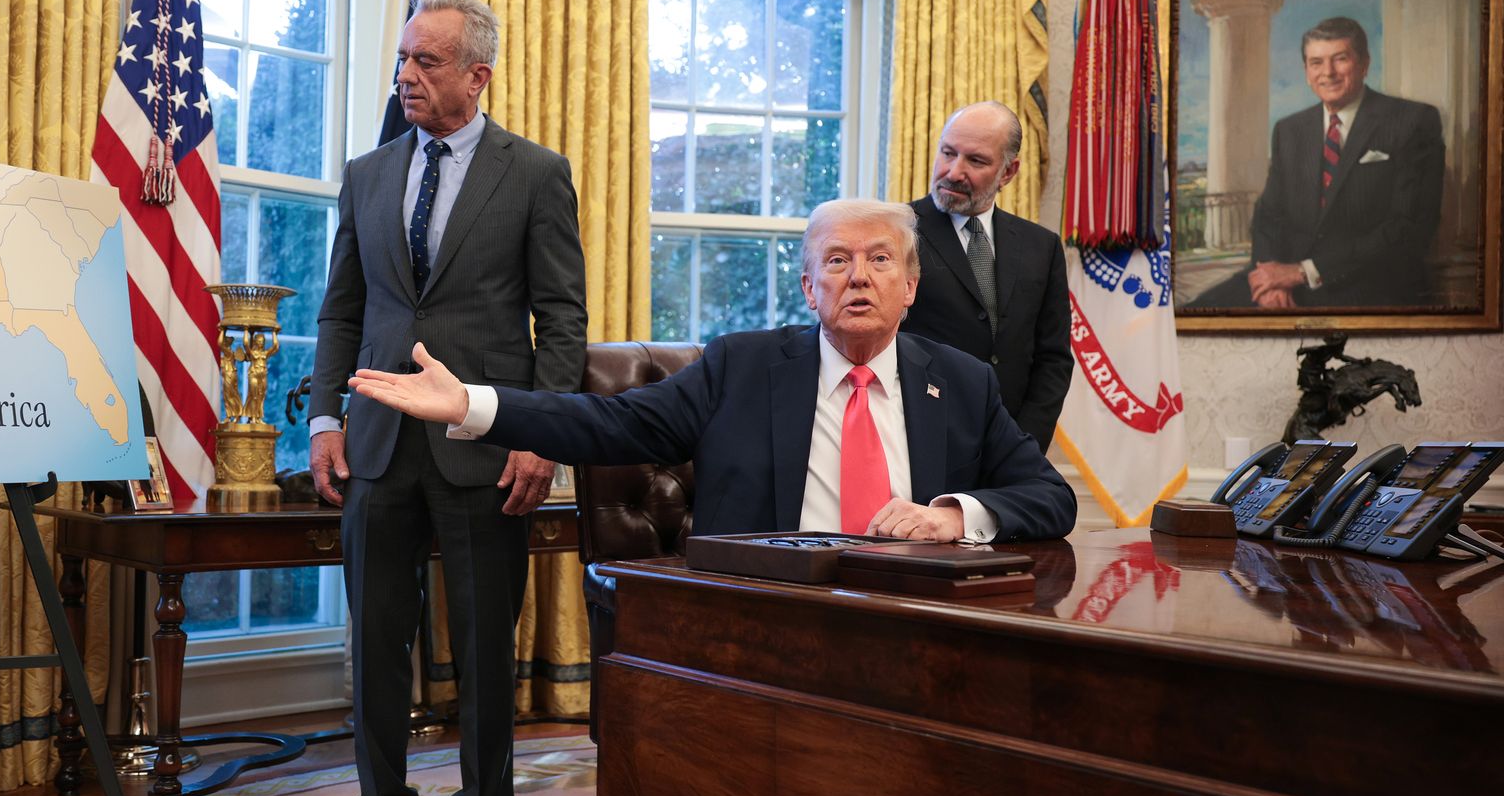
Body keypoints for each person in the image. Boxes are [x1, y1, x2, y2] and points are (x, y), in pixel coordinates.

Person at [306, 0, 587, 796]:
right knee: (375, 652)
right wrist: (324, 418)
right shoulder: (367, 174)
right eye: (402, 59)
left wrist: (542, 433)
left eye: (427, 62)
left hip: (487, 448)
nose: (406, 76)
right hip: (378, 448)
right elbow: (343, 309)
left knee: (484, 655)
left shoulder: (536, 174)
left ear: (478, 75)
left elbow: (562, 319)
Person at [350, 198, 1076, 546]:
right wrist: (470, 404)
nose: (859, 276)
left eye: (880, 260)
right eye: (836, 260)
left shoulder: (962, 381)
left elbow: (1049, 498)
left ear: (910, 287)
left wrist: (953, 515)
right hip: (770, 621)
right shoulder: (742, 366)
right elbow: (608, 423)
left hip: (918, 622)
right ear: (808, 288)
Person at [1189, 16, 1445, 309]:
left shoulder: (1412, 121)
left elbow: (1408, 228)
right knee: (1191, 315)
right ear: (1306, 72)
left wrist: (1302, 272)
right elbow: (1268, 216)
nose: (1328, 73)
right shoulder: (1289, 130)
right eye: (1316, 63)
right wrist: (1271, 278)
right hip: (1286, 280)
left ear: (1364, 64)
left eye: (1340, 59)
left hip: (1367, 284)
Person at [905, 101, 1071, 454]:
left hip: (1009, 447)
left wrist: (1024, 445)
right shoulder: (896, 233)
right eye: (948, 153)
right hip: (918, 442)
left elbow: (1053, 359)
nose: (954, 171)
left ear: (1008, 172)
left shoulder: (1041, 246)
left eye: (976, 161)